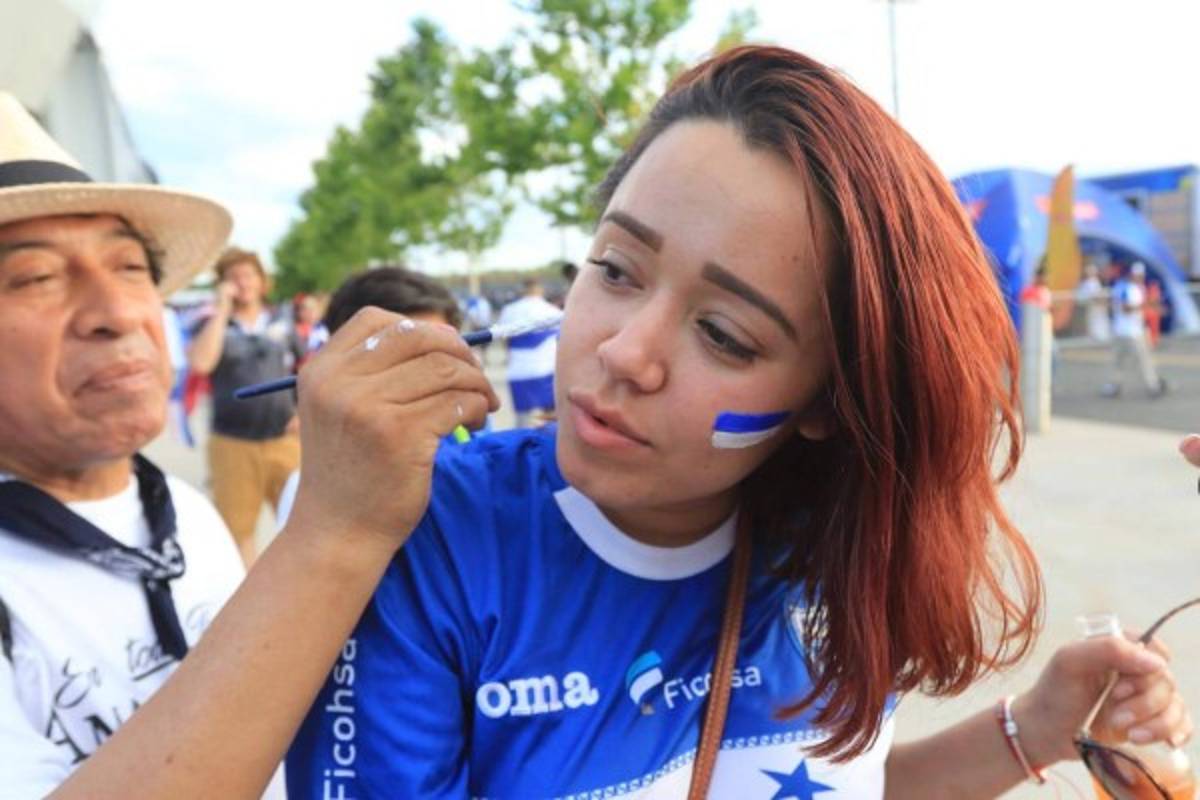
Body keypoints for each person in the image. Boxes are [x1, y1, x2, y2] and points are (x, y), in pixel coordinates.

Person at [280, 47, 1192, 798]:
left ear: (831, 401)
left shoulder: (840, 539)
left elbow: (830, 783)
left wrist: (1032, 729)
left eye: (723, 333)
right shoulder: (430, 533)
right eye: (616, 269)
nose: (625, 352)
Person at [0, 92, 285, 797]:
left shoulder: (185, 511)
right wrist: (335, 541)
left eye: (131, 268)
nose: (120, 312)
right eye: (35, 277)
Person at [274, 265, 475, 524]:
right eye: (408, 353)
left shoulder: (476, 442)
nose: (431, 370)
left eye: (443, 348)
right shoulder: (314, 493)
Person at [187, 247, 304, 565]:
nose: (243, 282)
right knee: (237, 533)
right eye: (234, 277)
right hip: (232, 442)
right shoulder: (213, 324)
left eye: (249, 275)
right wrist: (221, 309)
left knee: (300, 526)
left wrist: (303, 412)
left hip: (285, 440)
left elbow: (305, 369)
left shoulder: (282, 322)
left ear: (262, 281)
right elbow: (201, 363)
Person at [496, 276, 562, 427]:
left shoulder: (509, 310)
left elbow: (504, 340)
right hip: (547, 370)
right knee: (552, 420)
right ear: (540, 289)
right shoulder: (551, 310)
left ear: (522, 290)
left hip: (519, 371)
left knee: (522, 421)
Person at [1101, 261, 1167, 399]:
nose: (1141, 278)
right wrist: (1147, 305)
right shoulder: (1126, 288)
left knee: (1120, 361)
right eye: (1139, 275)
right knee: (1142, 360)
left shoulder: (1127, 287)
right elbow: (1126, 308)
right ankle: (1152, 386)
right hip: (1129, 332)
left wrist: (1150, 307)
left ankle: (1115, 386)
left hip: (1127, 330)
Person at [1075, 262, 1111, 342]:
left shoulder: (1095, 282)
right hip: (1090, 309)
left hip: (1098, 310)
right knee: (1094, 327)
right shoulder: (1088, 283)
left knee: (1100, 325)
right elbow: (1089, 297)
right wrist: (1101, 300)